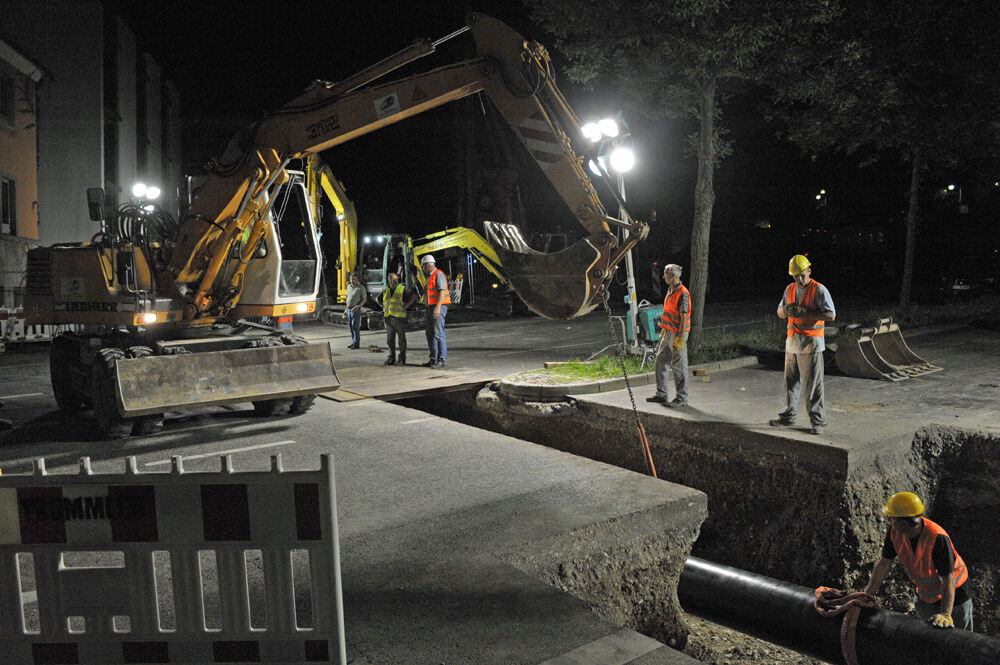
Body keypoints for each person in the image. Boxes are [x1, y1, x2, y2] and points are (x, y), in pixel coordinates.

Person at [864, 491, 973, 631]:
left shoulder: (936, 538)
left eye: (892, 518)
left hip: (955, 598)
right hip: (926, 598)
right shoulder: (895, 532)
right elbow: (885, 563)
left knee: (959, 644)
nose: (890, 521)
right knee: (928, 643)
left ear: (903, 523)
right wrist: (867, 595)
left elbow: (948, 578)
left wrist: (946, 614)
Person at [770, 254, 835, 435]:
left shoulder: (819, 290)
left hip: (811, 345)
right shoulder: (789, 289)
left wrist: (806, 313)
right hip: (792, 343)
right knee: (791, 382)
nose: (798, 279)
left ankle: (818, 421)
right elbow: (780, 312)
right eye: (795, 276)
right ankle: (789, 415)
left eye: (801, 275)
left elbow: (831, 315)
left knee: (813, 385)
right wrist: (786, 311)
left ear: (809, 271)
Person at [646, 263, 690, 407]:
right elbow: (667, 314)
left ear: (672, 276)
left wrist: (680, 337)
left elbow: (684, 316)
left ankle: (682, 398)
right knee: (660, 361)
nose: (663, 276)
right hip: (668, 332)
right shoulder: (670, 290)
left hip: (678, 332)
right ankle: (661, 394)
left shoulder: (682, 292)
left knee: (679, 365)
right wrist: (664, 332)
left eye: (665, 273)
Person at [379, 272, 417, 365]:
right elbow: (378, 299)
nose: (395, 281)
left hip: (399, 317)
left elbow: (413, 296)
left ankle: (402, 359)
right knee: (390, 339)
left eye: (396, 279)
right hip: (388, 317)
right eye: (393, 279)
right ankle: (391, 358)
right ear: (389, 280)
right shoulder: (386, 290)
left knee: (401, 339)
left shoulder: (402, 289)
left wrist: (406, 306)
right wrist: (382, 306)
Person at [420, 254, 450, 369]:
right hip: (430, 308)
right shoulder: (430, 276)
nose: (422, 268)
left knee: (438, 334)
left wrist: (437, 307)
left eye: (423, 266)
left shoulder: (439, 274)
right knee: (430, 334)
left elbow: (442, 291)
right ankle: (433, 360)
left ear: (428, 265)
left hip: (438, 307)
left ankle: (441, 360)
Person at [345, 272, 367, 349]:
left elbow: (364, 299)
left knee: (355, 327)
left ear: (357, 280)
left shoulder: (361, 288)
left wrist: (358, 306)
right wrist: (346, 309)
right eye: (352, 279)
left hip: (355, 310)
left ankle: (357, 343)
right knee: (351, 326)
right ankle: (354, 341)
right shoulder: (349, 287)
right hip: (349, 310)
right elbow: (347, 299)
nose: (353, 281)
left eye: (355, 279)